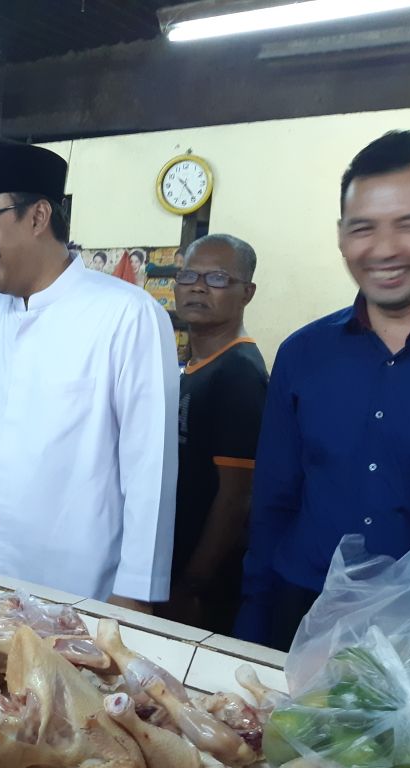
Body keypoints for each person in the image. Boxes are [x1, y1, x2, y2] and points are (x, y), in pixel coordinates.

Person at [0, 145, 179, 608]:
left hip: (80, 597)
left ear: (38, 216)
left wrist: (133, 602)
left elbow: (150, 473)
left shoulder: (127, 316)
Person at [237, 130, 410, 649]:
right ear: (340, 235)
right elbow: (272, 505)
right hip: (304, 616)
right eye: (363, 228)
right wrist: (250, 627)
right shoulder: (303, 354)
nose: (384, 249)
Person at [154, 234, 267, 633]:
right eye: (188, 275)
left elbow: (237, 497)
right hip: (173, 565)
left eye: (218, 278)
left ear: (247, 292)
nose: (198, 287)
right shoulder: (194, 367)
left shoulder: (238, 373)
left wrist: (190, 587)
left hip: (201, 587)